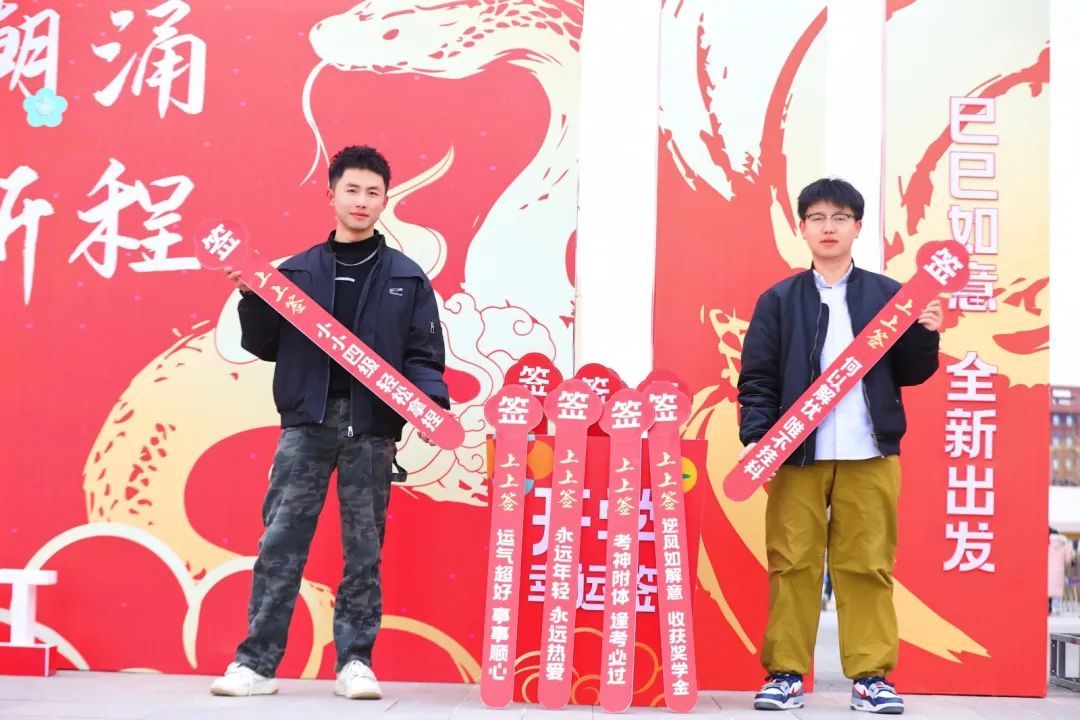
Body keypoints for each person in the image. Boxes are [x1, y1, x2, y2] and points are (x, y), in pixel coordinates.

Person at [209, 145, 450, 699]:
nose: (361, 201)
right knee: (280, 544)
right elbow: (266, 344)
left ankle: (355, 663)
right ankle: (255, 664)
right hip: (306, 427)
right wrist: (251, 297)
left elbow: (423, 353)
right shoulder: (295, 273)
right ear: (331, 195)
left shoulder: (406, 277)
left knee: (364, 551)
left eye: (372, 192)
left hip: (371, 431)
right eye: (352, 189)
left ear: (385, 200)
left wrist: (429, 405)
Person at [737, 178, 943, 714]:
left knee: (868, 564)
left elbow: (911, 372)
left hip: (870, 452)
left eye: (840, 218)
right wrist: (758, 438)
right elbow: (757, 378)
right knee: (791, 562)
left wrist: (925, 334)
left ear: (857, 227)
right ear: (802, 227)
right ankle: (785, 674)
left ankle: (871, 678)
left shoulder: (889, 295)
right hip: (796, 454)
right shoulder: (778, 301)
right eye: (818, 218)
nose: (828, 228)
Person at [1049, 528, 1075, 615]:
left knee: (1047, 589)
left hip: (1046, 571)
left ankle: (1047, 607)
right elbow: (1067, 560)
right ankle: (1055, 607)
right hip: (1058, 571)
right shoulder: (1064, 545)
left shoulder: (1046, 543)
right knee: (1056, 590)